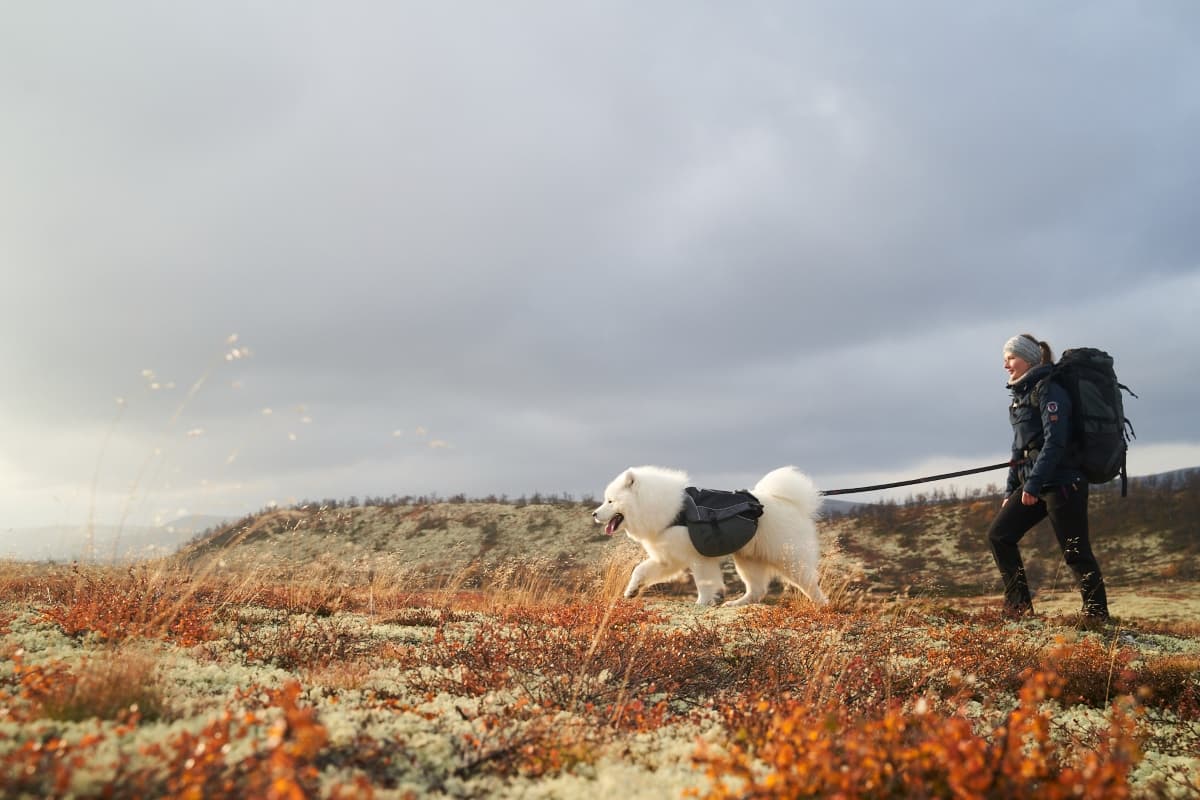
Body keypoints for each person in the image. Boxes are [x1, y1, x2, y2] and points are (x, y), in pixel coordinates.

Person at [986, 333, 1110, 620]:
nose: (1006, 365)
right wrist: (1010, 492)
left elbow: (1056, 442)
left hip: (1064, 483)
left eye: (1011, 358)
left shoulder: (1049, 390)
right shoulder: (1019, 395)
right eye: (1004, 359)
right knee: (999, 535)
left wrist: (1032, 484)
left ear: (1028, 359)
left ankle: (1097, 614)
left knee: (1075, 551)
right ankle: (1019, 607)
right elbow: (1018, 450)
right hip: (1036, 482)